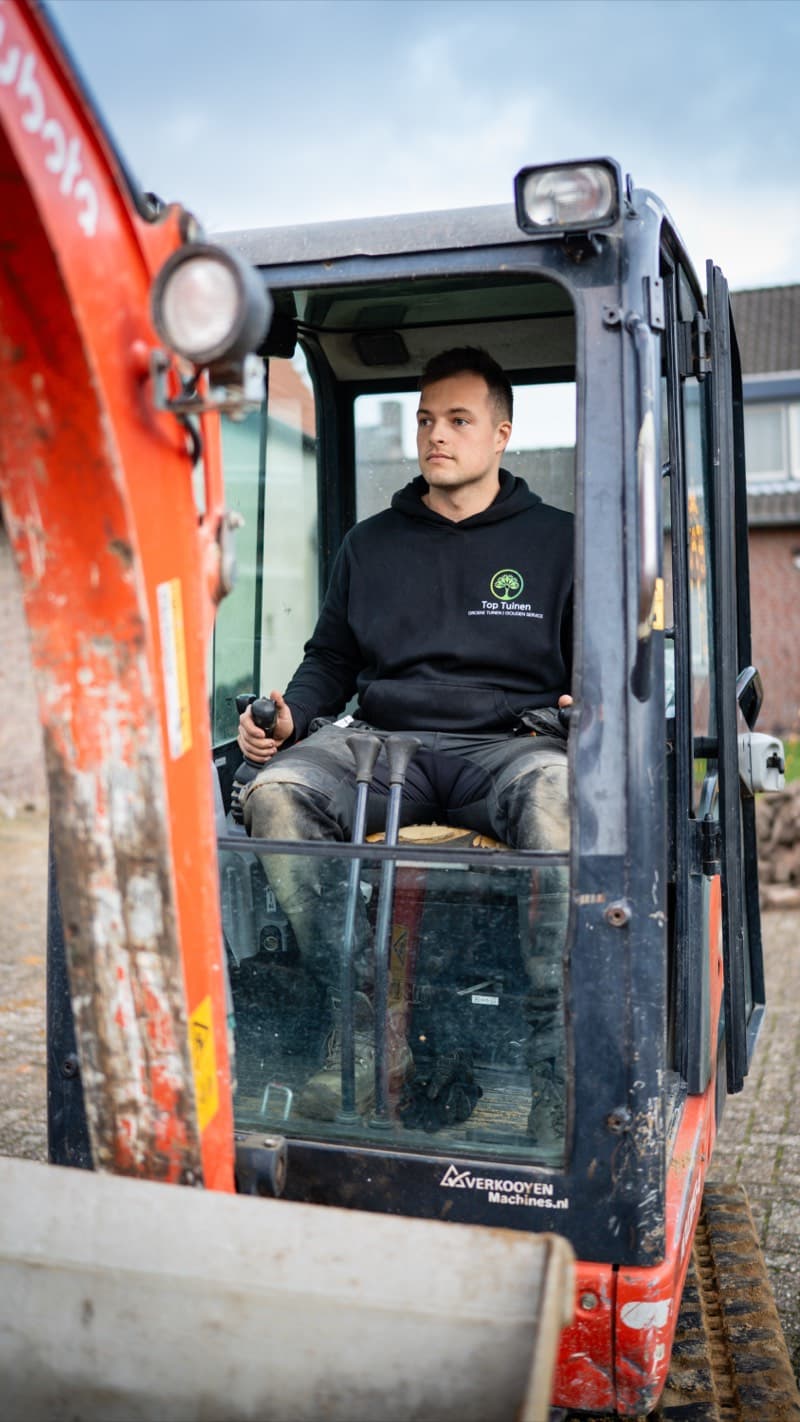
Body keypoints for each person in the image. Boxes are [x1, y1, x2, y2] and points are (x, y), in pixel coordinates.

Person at [237, 347, 573, 1137]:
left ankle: (556, 1069)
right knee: (276, 795)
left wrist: (584, 707)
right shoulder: (371, 544)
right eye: (426, 420)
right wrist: (291, 718)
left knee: (561, 797)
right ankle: (365, 1028)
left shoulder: (561, 543)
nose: (436, 435)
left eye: (458, 420)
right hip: (384, 748)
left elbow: (593, 671)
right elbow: (330, 662)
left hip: (513, 748)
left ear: (501, 435)